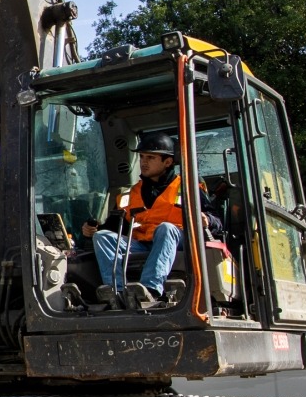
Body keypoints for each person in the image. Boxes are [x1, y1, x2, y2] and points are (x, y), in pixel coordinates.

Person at [79, 132, 212, 309]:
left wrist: (207, 219)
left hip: (179, 241)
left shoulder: (187, 188)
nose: (143, 162)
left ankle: (150, 289)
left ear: (168, 162)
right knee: (103, 237)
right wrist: (92, 230)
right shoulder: (130, 195)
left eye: (150, 157)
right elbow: (114, 226)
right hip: (142, 243)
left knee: (166, 228)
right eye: (141, 157)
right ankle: (117, 291)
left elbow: (215, 218)